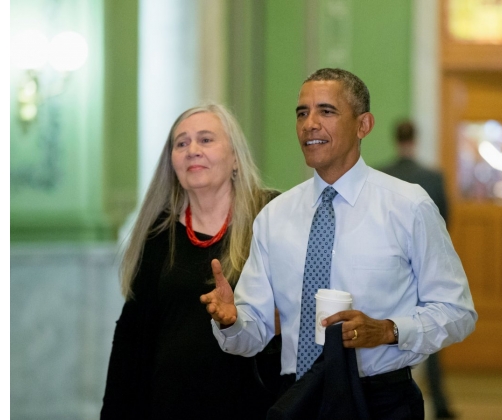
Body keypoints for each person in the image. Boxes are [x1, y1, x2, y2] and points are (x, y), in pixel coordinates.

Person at [201, 68, 477, 420]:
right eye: (302, 113)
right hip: (297, 398)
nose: (309, 124)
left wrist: (388, 330)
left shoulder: (408, 206)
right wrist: (231, 321)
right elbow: (251, 335)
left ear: (363, 125)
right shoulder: (274, 217)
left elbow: (457, 312)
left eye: (326, 111)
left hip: (381, 401)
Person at [100, 103, 281, 419]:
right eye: (181, 143)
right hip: (170, 405)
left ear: (235, 157)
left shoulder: (271, 215)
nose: (192, 150)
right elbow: (132, 337)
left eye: (206, 140)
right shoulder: (159, 231)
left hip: (256, 404)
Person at [380, 120, 456, 419]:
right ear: (416, 139)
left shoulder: (382, 176)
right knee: (431, 330)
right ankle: (440, 403)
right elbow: (445, 223)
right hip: (424, 268)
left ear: (394, 139)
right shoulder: (433, 177)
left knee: (388, 331)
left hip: (388, 269)